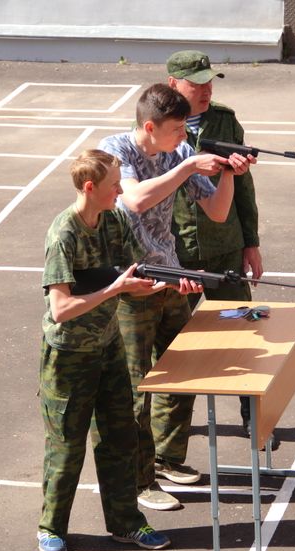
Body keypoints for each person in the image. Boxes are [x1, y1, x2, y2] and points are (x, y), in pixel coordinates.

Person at [99, 84, 255, 511]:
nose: (184, 138)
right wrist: (188, 170)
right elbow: (133, 201)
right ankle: (139, 479)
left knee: (180, 371)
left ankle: (167, 458)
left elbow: (218, 212)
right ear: (149, 126)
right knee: (136, 386)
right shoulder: (116, 150)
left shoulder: (180, 152)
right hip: (130, 283)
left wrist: (227, 172)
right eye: (175, 131)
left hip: (169, 274)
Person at [36, 149, 176, 551]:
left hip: (108, 347)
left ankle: (126, 522)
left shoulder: (113, 220)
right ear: (90, 187)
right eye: (114, 183)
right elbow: (61, 309)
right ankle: (51, 527)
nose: (120, 188)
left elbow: (139, 272)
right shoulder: (64, 233)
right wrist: (116, 290)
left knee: (121, 438)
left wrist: (171, 283)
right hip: (69, 357)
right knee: (67, 445)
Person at [166, 50, 266, 441]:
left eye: (210, 82)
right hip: (178, 255)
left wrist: (251, 243)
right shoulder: (155, 123)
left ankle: (255, 420)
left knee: (244, 332)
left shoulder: (224, 119)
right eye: (197, 83)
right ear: (173, 84)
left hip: (224, 246)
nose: (206, 90)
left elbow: (243, 185)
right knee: (175, 349)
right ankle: (170, 441)